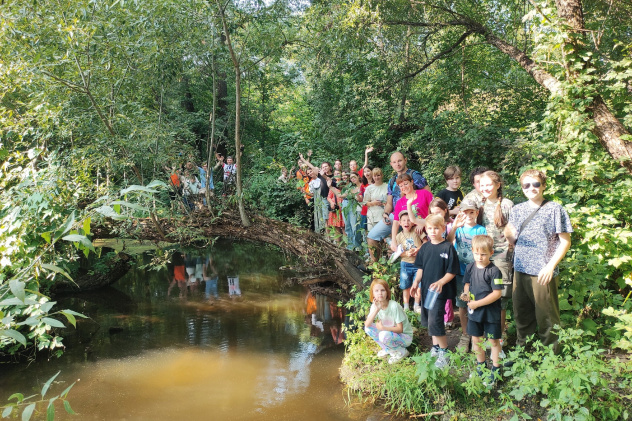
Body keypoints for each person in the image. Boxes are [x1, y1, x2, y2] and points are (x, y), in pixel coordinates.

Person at [505, 169, 572, 351]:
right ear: (522, 188)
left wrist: (550, 267)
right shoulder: (517, 210)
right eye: (526, 185)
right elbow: (513, 240)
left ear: (543, 185)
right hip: (520, 268)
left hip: (543, 271)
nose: (531, 188)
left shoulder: (554, 209)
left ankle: (550, 356)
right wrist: (508, 235)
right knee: (521, 313)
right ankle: (523, 351)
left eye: (535, 184)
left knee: (546, 316)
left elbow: (565, 241)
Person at [412, 214, 460, 368]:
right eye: (430, 228)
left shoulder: (448, 247)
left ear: (443, 228)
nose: (433, 231)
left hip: (439, 292)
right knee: (428, 320)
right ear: (426, 228)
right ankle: (436, 347)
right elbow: (420, 267)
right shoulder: (425, 247)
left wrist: (441, 282)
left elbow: (452, 271)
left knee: (436, 320)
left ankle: (445, 352)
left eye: (436, 228)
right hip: (426, 289)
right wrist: (415, 282)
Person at [367, 151, 429, 262]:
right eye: (394, 162)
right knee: (372, 236)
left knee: (415, 242)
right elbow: (390, 203)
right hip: (397, 216)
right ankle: (377, 267)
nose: (398, 164)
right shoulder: (392, 181)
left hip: (416, 216)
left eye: (400, 160)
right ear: (391, 164)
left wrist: (422, 221)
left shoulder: (415, 176)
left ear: (405, 160)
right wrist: (385, 213)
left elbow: (428, 198)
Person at [478, 170, 513, 356]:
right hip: (483, 258)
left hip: (502, 259)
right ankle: (486, 339)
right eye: (482, 185)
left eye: (489, 185)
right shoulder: (479, 203)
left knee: (500, 302)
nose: (485, 188)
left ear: (498, 185)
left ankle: (498, 342)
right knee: (484, 297)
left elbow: (514, 232)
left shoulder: (507, 205)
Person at [446, 199, 487, 351]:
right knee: (462, 304)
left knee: (477, 303)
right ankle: (465, 335)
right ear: (460, 213)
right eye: (465, 212)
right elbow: (449, 242)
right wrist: (455, 226)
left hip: (477, 273)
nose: (469, 215)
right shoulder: (458, 229)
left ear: (476, 213)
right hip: (460, 272)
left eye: (472, 212)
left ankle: (477, 334)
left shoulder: (481, 230)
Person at [462, 235, 504, 386]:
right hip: (474, 313)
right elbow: (467, 284)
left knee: (493, 341)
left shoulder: (494, 271)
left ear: (491, 253)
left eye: (484, 254)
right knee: (476, 340)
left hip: (490, 313)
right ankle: (481, 366)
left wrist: (477, 304)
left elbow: (497, 293)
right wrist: (466, 293)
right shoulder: (470, 267)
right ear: (472, 251)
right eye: (476, 253)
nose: (479, 257)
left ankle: (496, 368)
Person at [364, 278, 413, 364]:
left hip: (405, 337)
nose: (380, 293)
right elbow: (367, 324)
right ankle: (388, 349)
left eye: (382, 290)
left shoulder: (394, 306)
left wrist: (382, 328)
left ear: (387, 292)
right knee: (368, 329)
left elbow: (400, 329)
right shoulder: (375, 305)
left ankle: (402, 352)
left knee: (383, 335)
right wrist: (377, 309)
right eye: (376, 291)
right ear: (373, 294)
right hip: (390, 333)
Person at [393, 211, 424, 310]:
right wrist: (406, 253)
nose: (406, 222)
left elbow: (426, 243)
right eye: (404, 220)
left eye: (409, 220)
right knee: (405, 286)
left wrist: (418, 249)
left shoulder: (417, 231)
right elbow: (397, 251)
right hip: (405, 264)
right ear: (400, 223)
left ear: (413, 222)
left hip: (418, 264)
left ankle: (416, 305)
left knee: (419, 285)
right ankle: (406, 306)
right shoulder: (398, 236)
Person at [340, 172, 363, 250]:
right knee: (348, 225)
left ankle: (357, 246)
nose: (353, 179)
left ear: (358, 176)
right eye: (351, 178)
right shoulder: (351, 188)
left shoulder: (362, 186)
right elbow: (341, 195)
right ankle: (350, 246)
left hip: (358, 207)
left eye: (354, 177)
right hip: (350, 206)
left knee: (355, 227)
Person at [363, 167, 388, 233]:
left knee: (385, 237)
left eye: (378, 175)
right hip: (372, 216)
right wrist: (373, 203)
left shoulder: (387, 186)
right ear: (372, 176)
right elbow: (365, 202)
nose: (376, 177)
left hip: (384, 215)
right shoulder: (369, 188)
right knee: (372, 236)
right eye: (375, 176)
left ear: (382, 175)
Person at [326, 178, 345, 243]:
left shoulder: (345, 186)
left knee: (344, 226)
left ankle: (346, 243)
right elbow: (328, 197)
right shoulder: (333, 187)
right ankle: (338, 243)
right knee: (336, 226)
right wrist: (331, 202)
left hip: (343, 208)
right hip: (336, 208)